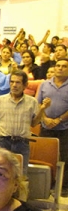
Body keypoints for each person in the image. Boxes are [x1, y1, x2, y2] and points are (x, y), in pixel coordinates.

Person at [36, 58, 68, 196]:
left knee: (65, 158)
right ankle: (46, 186)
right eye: (58, 66)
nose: (60, 68)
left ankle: (64, 187)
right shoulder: (45, 84)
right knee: (45, 157)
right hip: (46, 126)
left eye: (64, 66)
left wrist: (59, 119)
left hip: (65, 128)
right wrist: (45, 118)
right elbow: (37, 103)